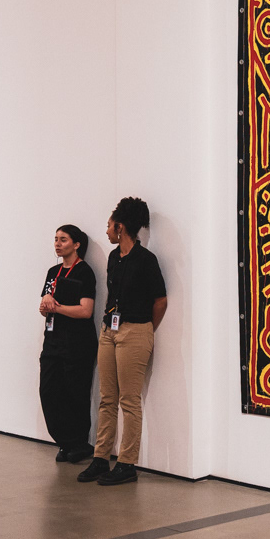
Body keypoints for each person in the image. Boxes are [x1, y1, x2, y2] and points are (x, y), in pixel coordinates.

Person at [78, 197, 166, 486]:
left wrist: (145, 330)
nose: (106, 231)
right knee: (107, 398)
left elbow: (160, 301)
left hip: (135, 332)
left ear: (121, 227)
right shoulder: (114, 257)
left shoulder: (146, 260)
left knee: (129, 401)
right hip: (109, 331)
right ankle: (101, 457)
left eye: (109, 226)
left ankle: (127, 463)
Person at [38, 224, 97, 463]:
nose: (57, 243)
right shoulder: (53, 272)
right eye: (56, 239)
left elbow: (85, 311)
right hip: (53, 342)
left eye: (63, 239)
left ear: (77, 244)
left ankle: (78, 444)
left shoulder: (84, 272)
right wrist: (46, 304)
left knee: (75, 394)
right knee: (49, 392)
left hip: (77, 344)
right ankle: (64, 441)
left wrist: (57, 308)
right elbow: (44, 308)